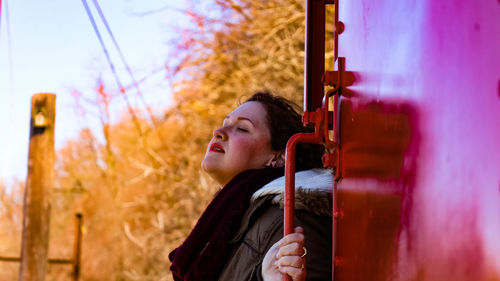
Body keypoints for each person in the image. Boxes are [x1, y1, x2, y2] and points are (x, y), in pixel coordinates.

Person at [169, 92, 333, 281]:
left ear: (279, 157)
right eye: (225, 122)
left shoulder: (289, 217)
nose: (218, 132)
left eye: (242, 128)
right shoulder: (234, 220)